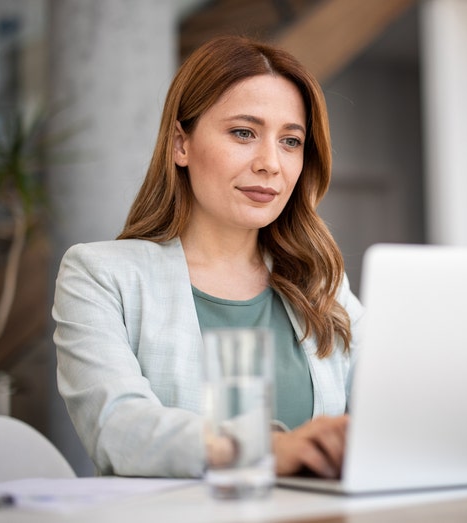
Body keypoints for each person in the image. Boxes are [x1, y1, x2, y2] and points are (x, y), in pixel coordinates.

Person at [52, 35, 364, 479]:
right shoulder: (100, 275)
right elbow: (117, 428)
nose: (270, 163)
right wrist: (270, 448)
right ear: (181, 144)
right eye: (243, 133)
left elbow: (397, 404)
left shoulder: (320, 285)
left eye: (291, 141)